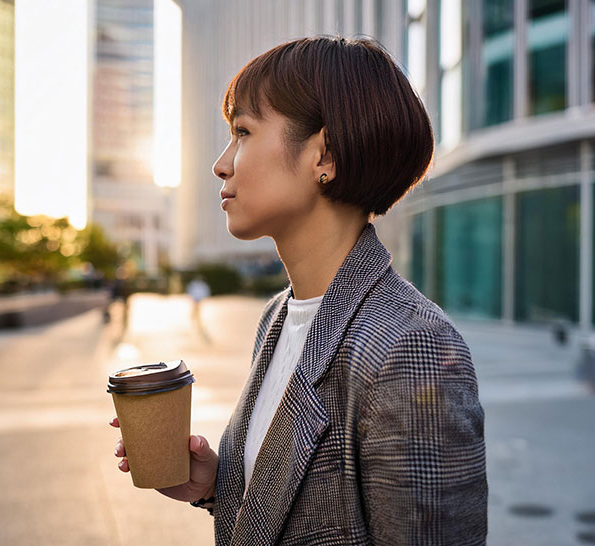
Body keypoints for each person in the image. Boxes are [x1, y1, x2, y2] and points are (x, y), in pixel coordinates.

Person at [111, 36, 487, 544]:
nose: (222, 164)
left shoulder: (410, 347)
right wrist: (216, 485)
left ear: (323, 154)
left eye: (242, 132)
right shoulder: (278, 316)